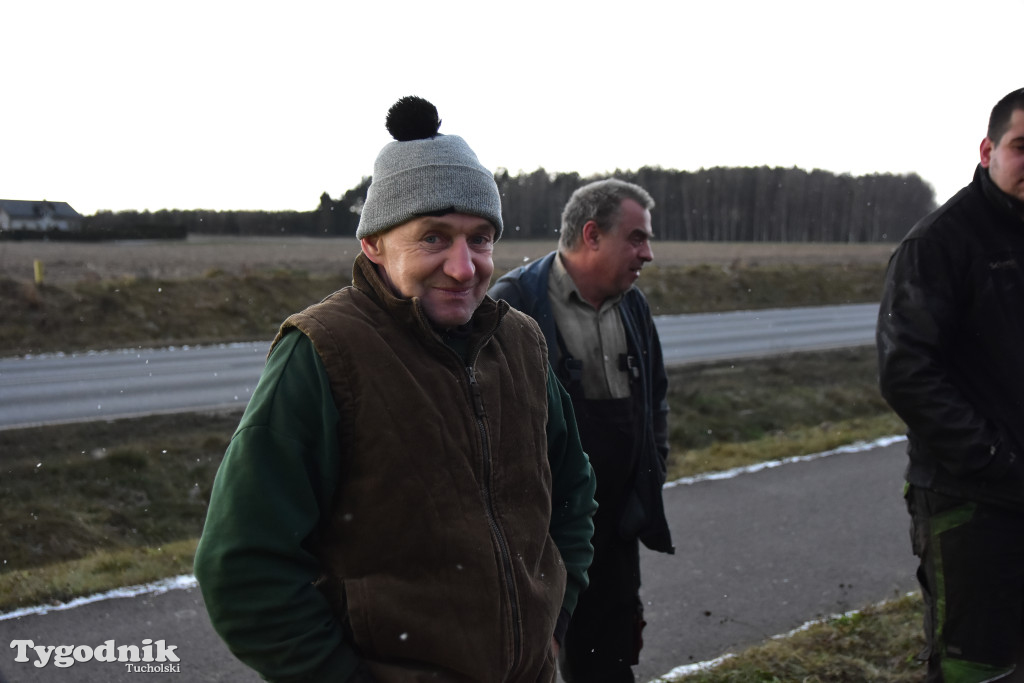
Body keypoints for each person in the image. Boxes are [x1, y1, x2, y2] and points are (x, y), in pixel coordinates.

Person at [194, 96, 597, 683]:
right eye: (434, 238)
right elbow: (243, 566)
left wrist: (554, 624)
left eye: (480, 239)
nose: (464, 267)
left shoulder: (520, 342)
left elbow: (573, 490)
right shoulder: (324, 353)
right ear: (373, 245)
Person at [489, 178, 674, 683]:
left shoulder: (633, 304)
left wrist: (650, 474)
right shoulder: (515, 302)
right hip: (546, 534)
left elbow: (655, 397)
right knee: (534, 661)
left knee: (611, 660)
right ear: (591, 234)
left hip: (615, 530)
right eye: (636, 238)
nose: (648, 254)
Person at [877, 87, 1024, 682]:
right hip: (973, 504)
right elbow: (907, 373)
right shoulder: (940, 243)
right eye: (1023, 147)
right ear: (988, 149)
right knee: (977, 667)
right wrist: (996, 459)